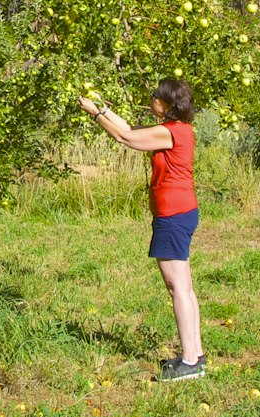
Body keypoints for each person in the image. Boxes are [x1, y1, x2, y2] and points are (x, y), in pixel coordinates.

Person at [78, 79, 205, 381]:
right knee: (183, 286)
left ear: (167, 103)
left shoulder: (170, 132)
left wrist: (94, 114)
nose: (151, 99)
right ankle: (194, 356)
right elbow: (131, 131)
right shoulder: (176, 130)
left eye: (155, 96)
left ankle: (190, 361)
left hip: (174, 214)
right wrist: (102, 108)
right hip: (178, 211)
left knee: (178, 287)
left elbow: (125, 139)